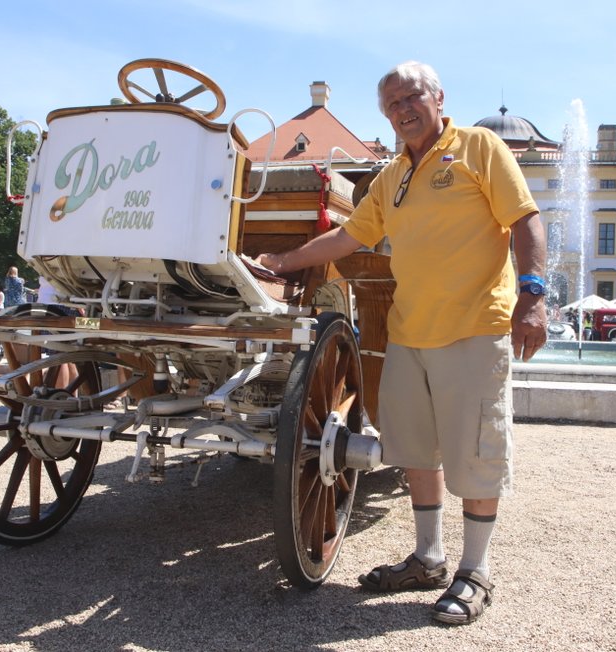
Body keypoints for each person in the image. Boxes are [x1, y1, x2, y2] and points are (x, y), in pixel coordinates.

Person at [255, 61, 547, 625]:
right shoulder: (393, 175)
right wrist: (283, 261)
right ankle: (428, 557)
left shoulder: (478, 147)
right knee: (417, 451)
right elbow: (349, 235)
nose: (401, 110)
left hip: (475, 327)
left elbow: (526, 220)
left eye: (410, 98)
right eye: (391, 105)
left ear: (438, 97)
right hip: (411, 332)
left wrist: (532, 297)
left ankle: (475, 571)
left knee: (477, 454)